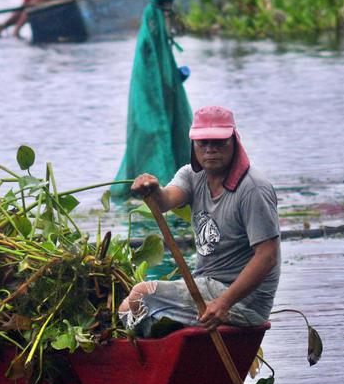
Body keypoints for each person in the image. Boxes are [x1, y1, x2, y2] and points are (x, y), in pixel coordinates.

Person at [119, 105, 280, 336]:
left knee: (139, 297)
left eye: (218, 143)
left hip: (244, 301)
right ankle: (160, 357)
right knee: (137, 312)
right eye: (202, 143)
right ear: (193, 145)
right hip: (207, 285)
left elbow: (267, 256)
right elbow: (164, 202)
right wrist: (152, 190)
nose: (210, 150)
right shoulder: (192, 175)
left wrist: (224, 303)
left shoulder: (252, 188)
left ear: (234, 141)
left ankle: (144, 362)